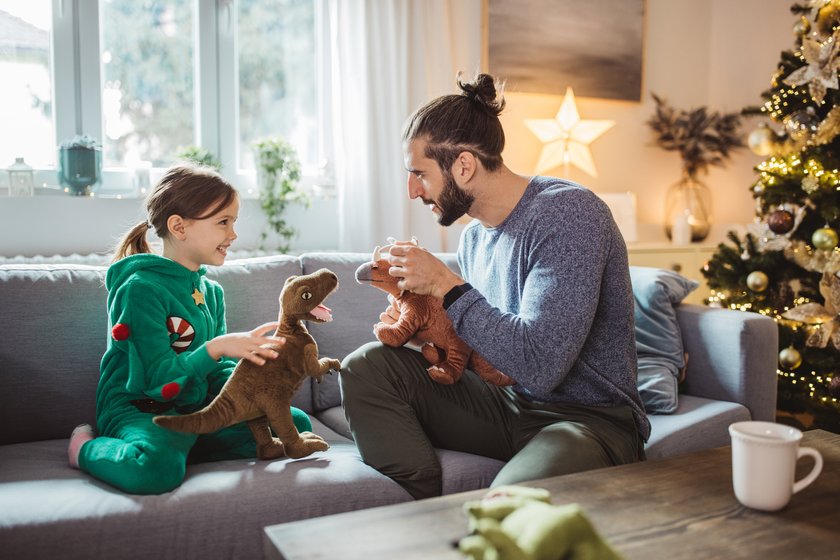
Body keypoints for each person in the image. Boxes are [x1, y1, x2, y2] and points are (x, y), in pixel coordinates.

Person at [339, 74, 650, 500]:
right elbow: (486, 349)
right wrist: (425, 335)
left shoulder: (568, 215)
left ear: (463, 166)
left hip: (587, 419)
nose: (412, 191)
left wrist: (449, 288)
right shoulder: (474, 238)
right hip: (505, 405)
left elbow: (542, 366)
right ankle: (413, 510)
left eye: (419, 174)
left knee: (510, 504)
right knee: (367, 365)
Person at [67, 163, 312, 495]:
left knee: (293, 424)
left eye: (233, 222)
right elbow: (155, 380)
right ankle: (84, 450)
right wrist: (217, 348)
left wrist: (255, 380)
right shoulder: (140, 289)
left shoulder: (211, 293)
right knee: (154, 470)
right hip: (140, 408)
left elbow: (217, 373)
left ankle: (183, 445)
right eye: (223, 222)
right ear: (179, 227)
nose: (233, 234)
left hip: (194, 408)